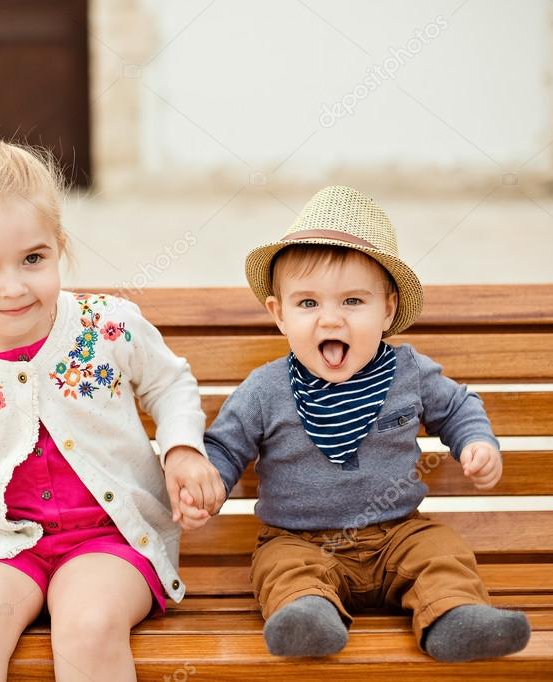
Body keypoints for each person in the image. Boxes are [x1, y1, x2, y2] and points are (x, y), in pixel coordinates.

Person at [0, 138, 224, 681]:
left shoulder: (105, 327)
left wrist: (183, 450)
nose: (13, 286)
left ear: (59, 246)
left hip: (107, 540)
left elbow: (169, 384)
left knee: (90, 624)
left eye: (33, 258)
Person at [177, 185, 531, 662]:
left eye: (352, 302)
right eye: (308, 304)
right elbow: (224, 446)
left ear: (387, 310)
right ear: (278, 314)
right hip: (298, 539)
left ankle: (454, 617)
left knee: (442, 553)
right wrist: (209, 485)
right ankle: (310, 617)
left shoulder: (410, 372)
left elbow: (458, 407)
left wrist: (476, 442)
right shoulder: (265, 389)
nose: (330, 320)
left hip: (398, 532)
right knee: (283, 570)